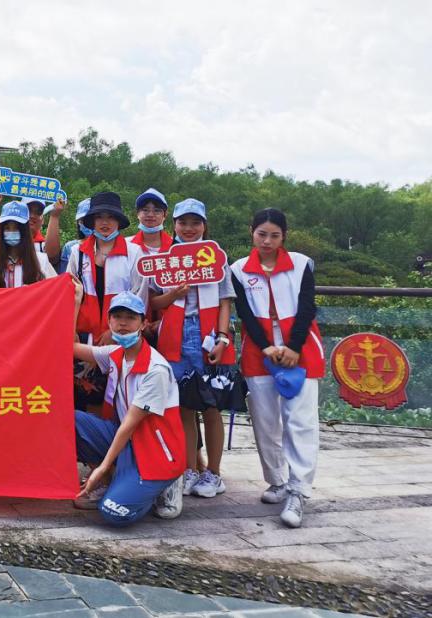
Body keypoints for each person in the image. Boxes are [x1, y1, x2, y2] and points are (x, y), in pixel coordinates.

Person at [231, 208, 324, 528]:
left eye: (274, 235)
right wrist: (266, 346)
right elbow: (244, 312)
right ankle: (276, 481)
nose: (267, 241)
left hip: (302, 352)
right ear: (251, 233)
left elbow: (307, 307)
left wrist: (294, 347)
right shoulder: (239, 270)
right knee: (265, 422)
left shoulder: (301, 264)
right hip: (259, 353)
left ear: (284, 236)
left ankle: (298, 490)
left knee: (300, 422)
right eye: (261, 234)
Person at [148, 199, 240, 499]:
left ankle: (213, 472)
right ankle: (188, 468)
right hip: (173, 337)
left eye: (195, 223)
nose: (188, 228)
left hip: (208, 335)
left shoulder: (216, 257)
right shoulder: (166, 259)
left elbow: (226, 300)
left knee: (212, 407)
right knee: (184, 408)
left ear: (204, 226)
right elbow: (155, 303)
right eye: (182, 223)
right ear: (173, 225)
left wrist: (223, 338)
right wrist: (175, 292)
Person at [72, 291, 185, 524]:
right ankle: (117, 480)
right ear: (109, 322)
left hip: (153, 450)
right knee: (67, 421)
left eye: (131, 317)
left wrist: (99, 470)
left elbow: (129, 425)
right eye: (117, 316)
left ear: (143, 323)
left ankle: (165, 482)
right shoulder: (115, 354)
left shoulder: (156, 369)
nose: (123, 323)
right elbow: (68, 346)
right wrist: (75, 303)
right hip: (127, 441)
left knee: (113, 513)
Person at [65, 191, 147, 341]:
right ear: (92, 222)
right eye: (99, 217)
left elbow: (139, 297)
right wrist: (71, 330)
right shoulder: (78, 252)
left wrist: (113, 332)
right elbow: (69, 293)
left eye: (111, 217)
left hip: (122, 335)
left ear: (119, 221)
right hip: (83, 336)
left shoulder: (134, 252)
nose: (105, 222)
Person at [0, 201, 58, 289]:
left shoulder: (41, 261)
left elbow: (56, 288)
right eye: (7, 228)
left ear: (25, 231)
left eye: (17, 228)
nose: (11, 232)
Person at [130, 188, 173, 255]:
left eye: (156, 210)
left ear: (165, 215)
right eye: (145, 210)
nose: (150, 215)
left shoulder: (175, 247)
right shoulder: (127, 245)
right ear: (137, 213)